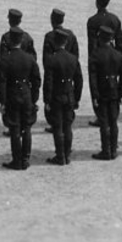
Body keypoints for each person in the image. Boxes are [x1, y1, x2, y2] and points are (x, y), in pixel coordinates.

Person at [0, 37, 40, 170]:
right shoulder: (29, 58)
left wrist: (2, 102)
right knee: (26, 128)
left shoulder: (5, 59)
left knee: (14, 128)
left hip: (12, 96)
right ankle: (25, 158)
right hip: (26, 95)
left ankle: (17, 160)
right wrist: (34, 99)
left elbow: (1, 82)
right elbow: (36, 80)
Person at [42, 29, 84, 165]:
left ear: (55, 42)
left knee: (58, 127)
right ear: (66, 42)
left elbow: (48, 82)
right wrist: (76, 97)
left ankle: (60, 156)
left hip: (56, 96)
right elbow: (79, 80)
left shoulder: (51, 60)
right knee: (68, 127)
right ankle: (67, 154)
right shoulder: (73, 59)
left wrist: (47, 100)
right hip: (69, 95)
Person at [89, 24, 122, 160]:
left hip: (102, 92)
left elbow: (93, 78)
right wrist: (121, 92)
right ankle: (113, 149)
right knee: (113, 122)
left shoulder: (95, 55)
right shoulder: (117, 55)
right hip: (114, 91)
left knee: (104, 122)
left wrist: (95, 95)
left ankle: (106, 150)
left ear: (100, 38)